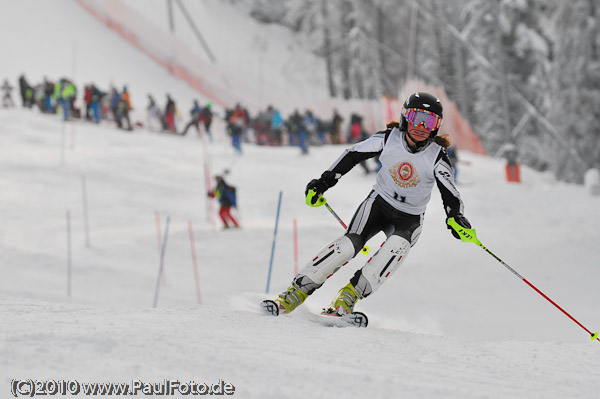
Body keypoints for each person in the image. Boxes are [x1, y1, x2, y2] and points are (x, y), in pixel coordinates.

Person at [265, 92, 471, 317]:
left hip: (409, 218)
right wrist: (324, 182)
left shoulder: (436, 156)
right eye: (417, 118)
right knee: (347, 246)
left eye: (429, 121)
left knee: (396, 249)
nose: (421, 126)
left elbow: (450, 192)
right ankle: (296, 292)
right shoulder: (388, 139)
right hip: (378, 205)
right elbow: (353, 154)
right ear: (405, 117)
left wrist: (455, 216)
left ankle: (347, 297)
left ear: (436, 126)